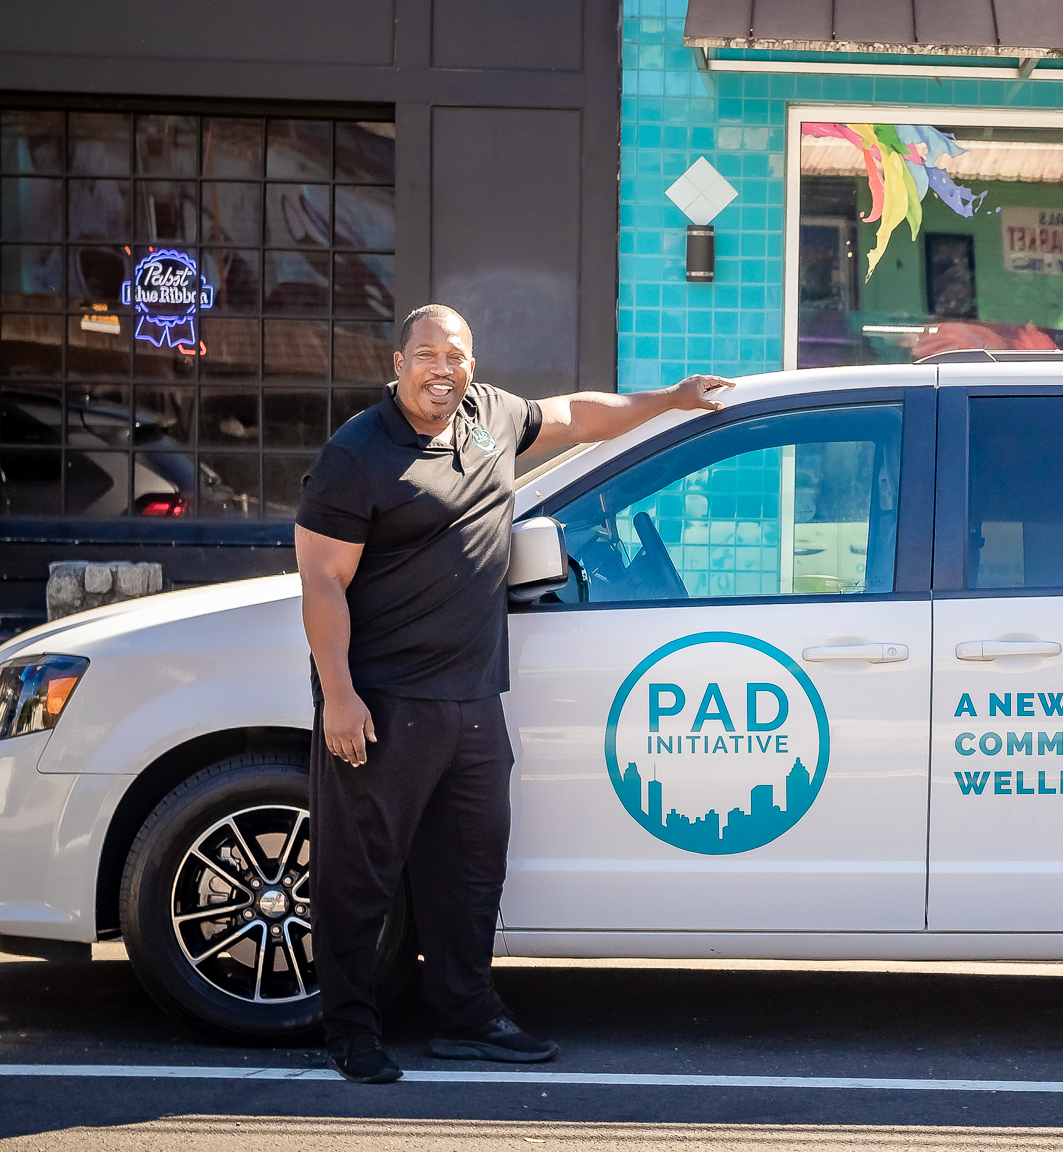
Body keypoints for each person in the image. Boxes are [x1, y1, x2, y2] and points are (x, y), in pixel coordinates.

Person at [295, 303, 734, 1084]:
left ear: (472, 364)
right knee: (359, 876)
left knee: (468, 872)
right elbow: (323, 581)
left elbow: (576, 416)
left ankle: (466, 1017)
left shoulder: (489, 415)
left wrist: (668, 399)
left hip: (472, 701)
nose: (442, 368)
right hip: (386, 701)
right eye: (426, 355)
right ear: (397, 364)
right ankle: (350, 1031)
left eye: (455, 356)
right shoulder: (356, 454)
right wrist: (339, 695)